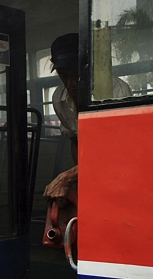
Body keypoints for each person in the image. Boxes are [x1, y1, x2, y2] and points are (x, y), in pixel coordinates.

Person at [44, 33, 132, 205]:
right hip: (91, 171)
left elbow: (120, 153)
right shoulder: (59, 98)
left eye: (76, 75)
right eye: (64, 75)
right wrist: (81, 181)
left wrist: (67, 177)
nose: (71, 83)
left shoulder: (118, 92)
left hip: (123, 171)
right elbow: (75, 140)